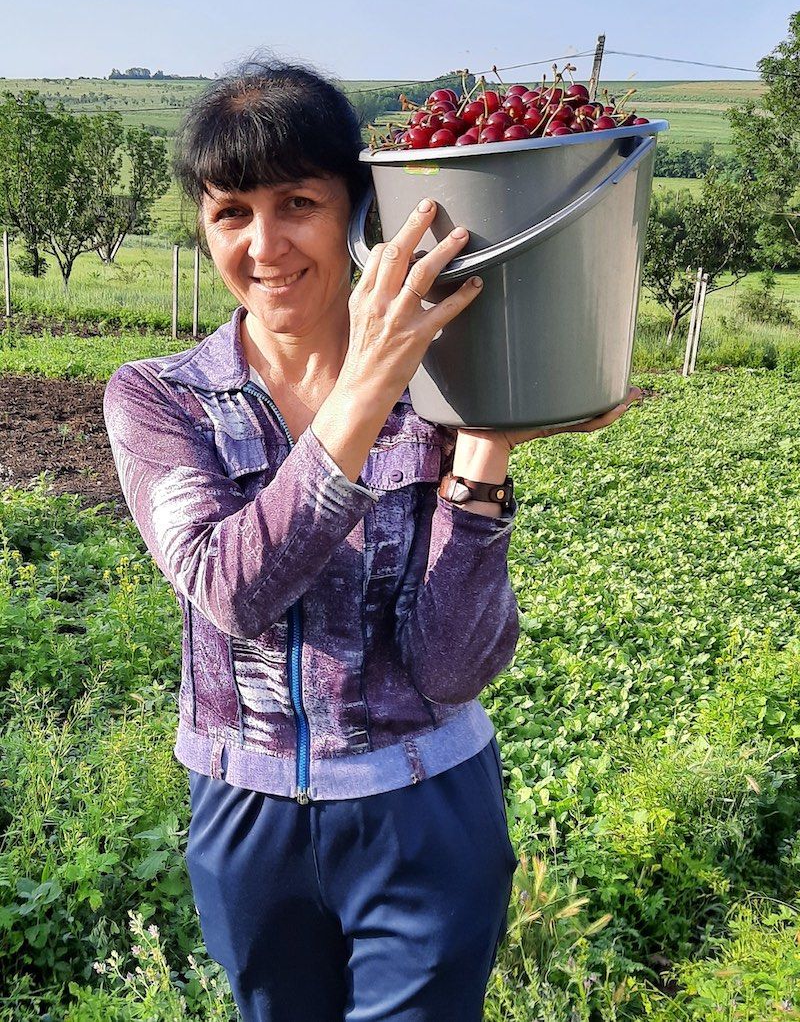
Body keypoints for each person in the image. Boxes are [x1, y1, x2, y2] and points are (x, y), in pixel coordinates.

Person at [103, 59, 640, 1022]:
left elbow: (451, 667)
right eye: (231, 213)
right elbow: (228, 590)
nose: (264, 245)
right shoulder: (162, 398)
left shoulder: (443, 397)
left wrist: (482, 439)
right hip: (247, 817)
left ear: (359, 213)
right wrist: (368, 389)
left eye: (298, 203)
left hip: (425, 809)